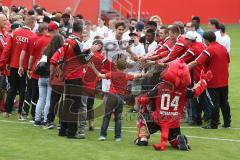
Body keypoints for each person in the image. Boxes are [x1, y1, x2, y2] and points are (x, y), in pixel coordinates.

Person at [135, 59, 212, 151]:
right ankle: (178, 141)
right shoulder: (184, 91)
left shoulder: (160, 87)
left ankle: (143, 138)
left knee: (143, 117)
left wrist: (141, 102)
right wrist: (203, 81)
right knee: (173, 137)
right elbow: (196, 91)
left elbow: (145, 99)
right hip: (174, 122)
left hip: (157, 118)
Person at [88, 59, 152, 141]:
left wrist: (93, 67)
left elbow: (99, 75)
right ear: (125, 67)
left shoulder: (112, 74)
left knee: (106, 117)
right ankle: (117, 137)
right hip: (120, 97)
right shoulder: (126, 75)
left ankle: (102, 136)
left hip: (111, 97)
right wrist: (146, 74)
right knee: (118, 118)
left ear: (116, 66)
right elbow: (137, 76)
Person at [189, 31, 231, 129]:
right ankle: (227, 123)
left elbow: (196, 62)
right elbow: (227, 61)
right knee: (224, 102)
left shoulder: (208, 50)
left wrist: (184, 67)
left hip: (212, 81)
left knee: (214, 103)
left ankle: (214, 124)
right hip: (224, 80)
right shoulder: (223, 48)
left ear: (206, 40)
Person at [0, 16, 35, 119]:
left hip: (13, 65)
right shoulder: (32, 36)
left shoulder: (14, 34)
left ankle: (7, 111)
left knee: (12, 88)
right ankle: (21, 113)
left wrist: (4, 64)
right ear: (32, 24)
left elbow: (7, 50)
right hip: (24, 67)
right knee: (23, 89)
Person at [20, 23, 48, 121]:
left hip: (33, 68)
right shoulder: (47, 40)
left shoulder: (31, 38)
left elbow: (26, 54)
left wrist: (27, 68)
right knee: (38, 94)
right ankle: (34, 115)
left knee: (29, 92)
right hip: (42, 70)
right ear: (44, 30)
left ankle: (24, 113)